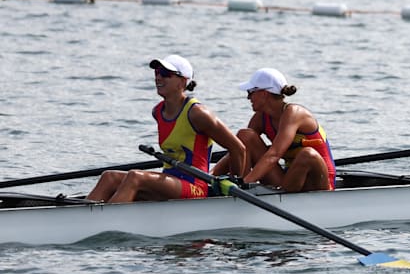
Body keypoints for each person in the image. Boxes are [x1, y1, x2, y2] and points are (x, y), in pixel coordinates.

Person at [87, 55, 247, 203]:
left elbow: (238, 148)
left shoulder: (198, 113)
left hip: (195, 186)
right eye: (157, 72)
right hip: (170, 180)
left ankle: (106, 222)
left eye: (165, 73)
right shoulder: (158, 112)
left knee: (135, 176)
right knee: (109, 177)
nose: (158, 77)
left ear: (182, 82)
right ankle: (85, 217)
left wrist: (234, 183)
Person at [212, 67, 336, 192]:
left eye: (250, 92)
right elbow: (240, 150)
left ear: (264, 93)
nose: (248, 98)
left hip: (319, 182)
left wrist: (245, 182)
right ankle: (240, 193)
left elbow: (274, 154)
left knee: (307, 154)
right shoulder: (260, 118)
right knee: (245, 136)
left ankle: (243, 187)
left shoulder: (294, 113)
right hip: (289, 181)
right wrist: (210, 175)